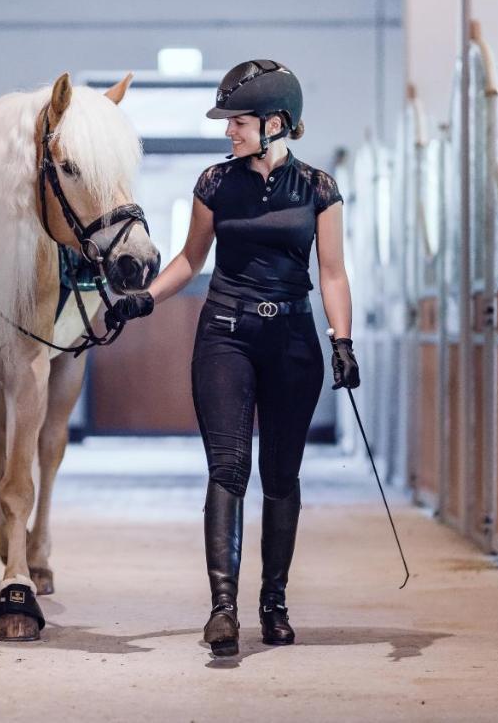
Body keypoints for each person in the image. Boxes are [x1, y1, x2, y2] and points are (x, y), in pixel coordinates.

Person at [107, 59, 359, 656]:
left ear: (276, 123)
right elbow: (192, 261)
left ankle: (274, 603)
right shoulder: (215, 185)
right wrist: (144, 299)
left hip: (294, 342)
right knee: (228, 469)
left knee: (281, 476)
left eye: (238, 122)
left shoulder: (318, 189)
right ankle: (223, 609)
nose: (228, 133)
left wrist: (341, 341)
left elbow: (332, 273)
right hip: (226, 334)